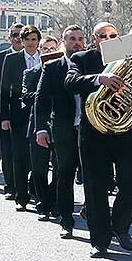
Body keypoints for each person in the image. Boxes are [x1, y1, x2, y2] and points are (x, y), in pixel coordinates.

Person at [66, 20, 132, 258]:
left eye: (113, 35)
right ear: (94, 38)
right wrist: (99, 79)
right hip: (94, 132)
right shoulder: (82, 59)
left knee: (130, 183)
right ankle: (100, 239)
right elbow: (70, 82)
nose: (108, 40)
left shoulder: (130, 58)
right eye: (103, 36)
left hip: (126, 130)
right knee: (95, 186)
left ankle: (120, 227)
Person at [35, 26, 86, 238]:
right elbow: (42, 99)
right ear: (63, 42)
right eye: (72, 39)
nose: (77, 43)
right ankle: (66, 220)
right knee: (64, 175)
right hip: (63, 129)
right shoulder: (53, 67)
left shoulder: (92, 62)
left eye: (80, 39)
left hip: (90, 130)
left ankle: (92, 212)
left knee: (94, 175)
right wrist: (40, 128)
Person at [0, 25, 44, 212]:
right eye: (27, 39)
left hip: (40, 112)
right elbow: (4, 89)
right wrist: (4, 117)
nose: (31, 43)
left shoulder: (45, 58)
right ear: (22, 41)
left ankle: (36, 190)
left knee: (39, 157)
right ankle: (21, 196)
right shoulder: (11, 59)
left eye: (34, 40)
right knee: (20, 156)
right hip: (18, 114)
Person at [23, 36, 60, 221]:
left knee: (60, 168)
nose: (49, 52)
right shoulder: (32, 72)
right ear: (39, 51)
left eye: (52, 49)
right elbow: (26, 96)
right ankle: (42, 204)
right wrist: (44, 92)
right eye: (45, 49)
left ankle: (53, 201)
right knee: (39, 168)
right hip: (38, 124)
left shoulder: (64, 70)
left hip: (59, 125)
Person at [0, 24, 24, 198]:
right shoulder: (1, 57)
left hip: (27, 111)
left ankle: (25, 185)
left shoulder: (34, 56)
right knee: (8, 150)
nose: (18, 38)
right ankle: (10, 186)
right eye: (15, 35)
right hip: (6, 110)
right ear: (9, 37)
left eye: (21, 35)